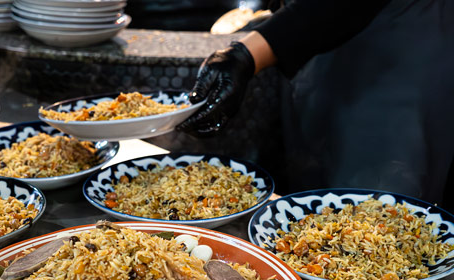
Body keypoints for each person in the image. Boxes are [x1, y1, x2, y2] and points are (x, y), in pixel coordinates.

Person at [178, 0, 454, 210]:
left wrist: (248, 53)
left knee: (381, 211)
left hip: (397, 54)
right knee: (317, 213)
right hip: (316, 47)